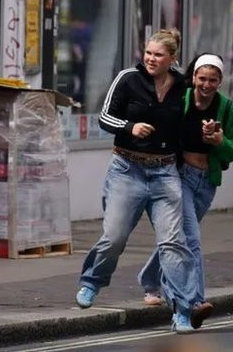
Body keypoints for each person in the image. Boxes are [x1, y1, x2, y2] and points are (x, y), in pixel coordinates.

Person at [75, 29, 199, 333]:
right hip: (127, 169)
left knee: (172, 242)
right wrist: (130, 126)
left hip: (165, 173)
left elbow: (193, 119)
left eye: (158, 55)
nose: (151, 59)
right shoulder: (128, 78)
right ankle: (92, 282)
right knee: (114, 237)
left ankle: (182, 311)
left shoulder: (183, 85)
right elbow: (105, 117)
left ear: (172, 59)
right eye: (148, 53)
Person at [137, 53, 232, 328]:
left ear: (220, 81)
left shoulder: (226, 108)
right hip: (179, 178)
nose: (206, 84)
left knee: (176, 239)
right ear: (193, 78)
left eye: (212, 80)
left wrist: (219, 141)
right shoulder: (183, 99)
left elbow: (232, 148)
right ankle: (192, 304)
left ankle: (150, 279)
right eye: (202, 78)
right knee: (190, 240)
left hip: (207, 182)